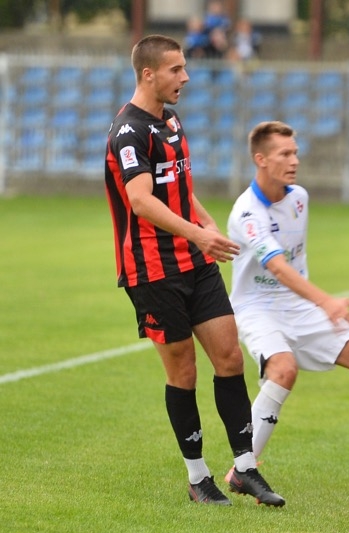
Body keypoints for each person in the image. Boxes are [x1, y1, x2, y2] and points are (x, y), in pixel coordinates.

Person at [103, 34, 283, 507]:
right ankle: (198, 476)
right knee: (183, 370)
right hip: (151, 268)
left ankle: (245, 469)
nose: (185, 77)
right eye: (176, 69)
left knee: (229, 358)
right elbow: (140, 201)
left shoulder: (172, 120)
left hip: (194, 260)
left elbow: (179, 188)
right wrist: (198, 234)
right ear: (149, 74)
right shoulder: (128, 132)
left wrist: (205, 225)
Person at [226, 120, 349, 490]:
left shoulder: (299, 198)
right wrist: (326, 300)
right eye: (284, 154)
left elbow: (294, 266)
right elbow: (275, 265)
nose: (294, 160)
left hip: (298, 305)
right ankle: (243, 467)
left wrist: (316, 306)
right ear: (260, 159)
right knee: (283, 369)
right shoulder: (247, 213)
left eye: (295, 152)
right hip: (256, 308)